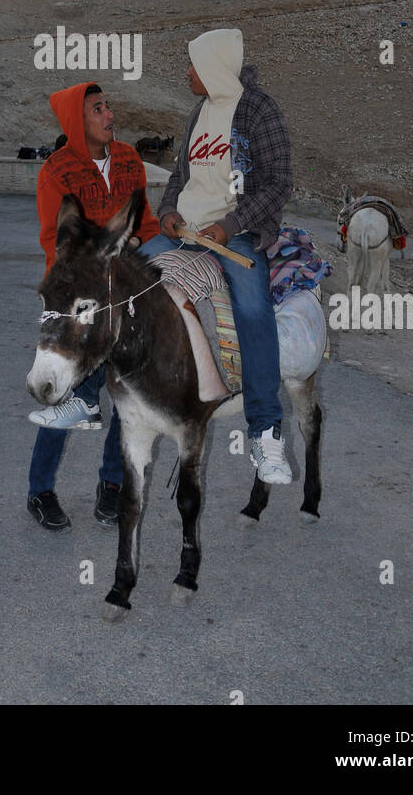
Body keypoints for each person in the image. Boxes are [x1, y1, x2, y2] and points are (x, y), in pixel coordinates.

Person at [140, 28, 294, 486]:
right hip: (184, 229)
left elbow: (279, 182)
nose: (187, 72)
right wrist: (167, 212)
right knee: (125, 280)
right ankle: (89, 397)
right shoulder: (199, 111)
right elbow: (180, 176)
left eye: (193, 64)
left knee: (251, 307)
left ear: (213, 68)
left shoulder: (258, 110)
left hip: (235, 234)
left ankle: (266, 431)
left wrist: (230, 225)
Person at [28, 82, 159, 530]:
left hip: (121, 299)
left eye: (108, 107)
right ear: (76, 122)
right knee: (62, 391)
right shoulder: (57, 171)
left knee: (125, 393)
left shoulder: (128, 159)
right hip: (77, 300)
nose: (109, 114)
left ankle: (111, 484)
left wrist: (143, 241)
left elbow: (145, 223)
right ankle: (40, 490)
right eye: (98, 109)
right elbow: (54, 240)